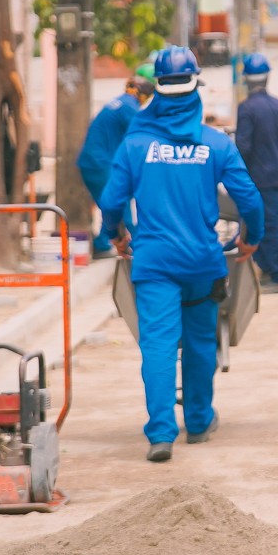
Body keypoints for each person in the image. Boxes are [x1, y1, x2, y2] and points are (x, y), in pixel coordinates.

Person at [98, 45, 264, 463]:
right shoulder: (214, 144)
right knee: (200, 341)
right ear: (195, 90)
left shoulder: (135, 144)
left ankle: (160, 435)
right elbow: (250, 199)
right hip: (202, 262)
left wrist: (115, 235)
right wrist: (251, 237)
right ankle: (199, 420)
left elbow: (111, 199)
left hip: (154, 264)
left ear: (157, 90)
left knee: (157, 344)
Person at [235, 53, 278, 294]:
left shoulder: (247, 109)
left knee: (267, 225)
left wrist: (236, 178)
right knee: (265, 224)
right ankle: (268, 270)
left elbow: (243, 147)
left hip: (259, 177)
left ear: (247, 80)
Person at [78, 65, 155, 257]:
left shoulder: (122, 102)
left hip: (96, 162)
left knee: (112, 202)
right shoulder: (130, 108)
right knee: (119, 201)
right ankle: (137, 248)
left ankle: (102, 243)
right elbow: (141, 140)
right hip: (99, 163)